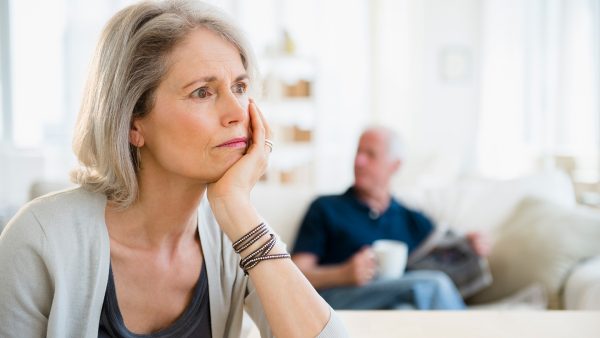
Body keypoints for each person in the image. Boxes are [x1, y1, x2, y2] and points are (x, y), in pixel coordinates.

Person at [0, 1, 348, 337]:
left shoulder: (236, 236)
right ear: (133, 124)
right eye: (202, 92)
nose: (237, 112)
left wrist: (236, 208)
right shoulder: (40, 240)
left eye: (240, 87)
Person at [292, 126, 488, 310]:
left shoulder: (412, 219)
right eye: (358, 152)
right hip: (340, 300)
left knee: (405, 310)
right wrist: (343, 273)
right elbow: (295, 274)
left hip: (394, 303)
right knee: (433, 284)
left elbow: (441, 249)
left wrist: (469, 244)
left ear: (395, 165)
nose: (359, 161)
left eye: (370, 154)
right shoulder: (326, 208)